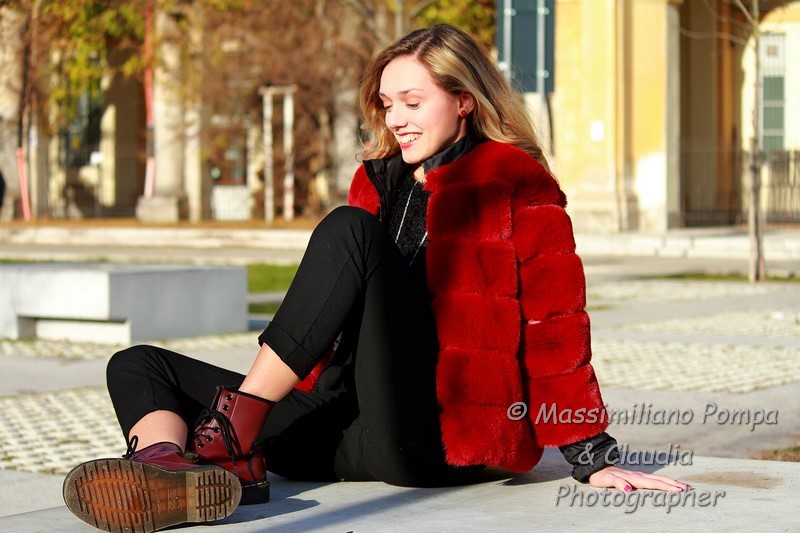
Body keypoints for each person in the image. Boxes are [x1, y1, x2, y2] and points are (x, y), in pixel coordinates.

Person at [62, 24, 689, 532]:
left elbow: (555, 325)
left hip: (442, 439)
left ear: (464, 100)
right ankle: (170, 474)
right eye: (388, 105)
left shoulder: (513, 182)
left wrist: (590, 454)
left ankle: (231, 434)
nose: (397, 120)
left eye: (413, 103)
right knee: (137, 365)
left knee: (348, 231)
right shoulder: (377, 179)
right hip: (348, 427)